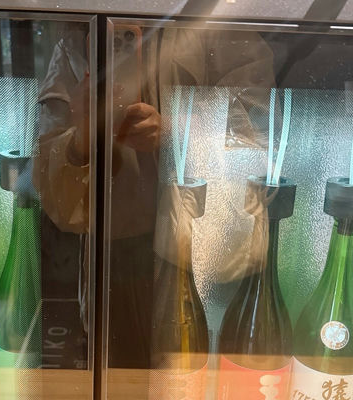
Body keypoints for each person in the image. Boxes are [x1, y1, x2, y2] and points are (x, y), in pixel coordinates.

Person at [33, 25, 276, 371]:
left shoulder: (220, 31)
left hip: (203, 251)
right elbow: (51, 192)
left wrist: (173, 132)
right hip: (112, 255)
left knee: (200, 373)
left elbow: (257, 146)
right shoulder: (76, 43)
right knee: (120, 374)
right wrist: (81, 139)